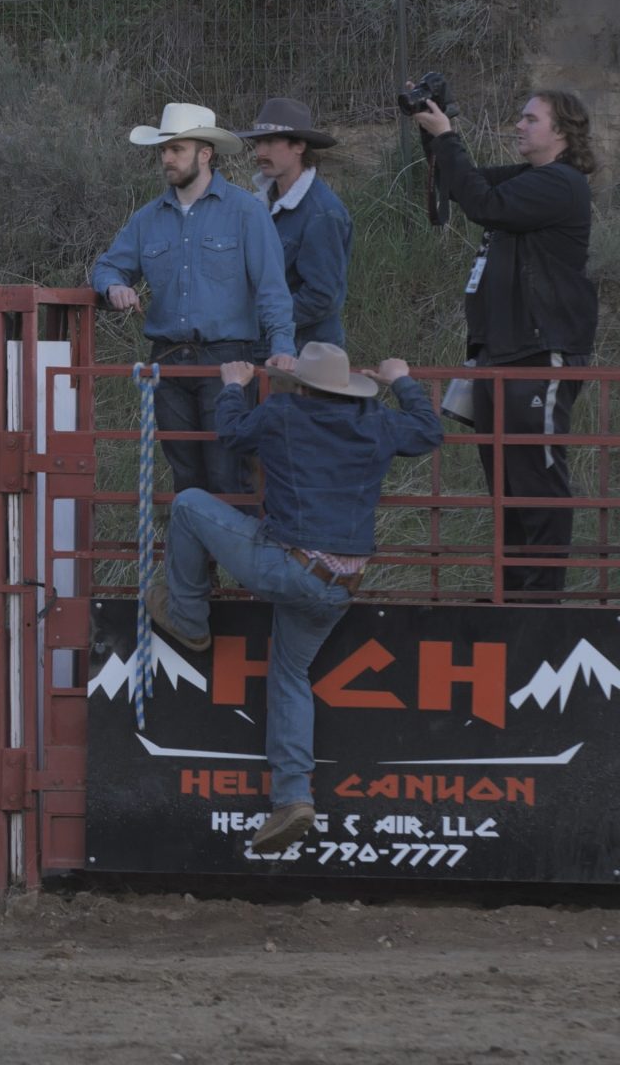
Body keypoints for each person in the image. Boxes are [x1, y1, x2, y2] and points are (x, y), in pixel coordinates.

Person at [147, 344, 441, 855]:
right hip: (340, 584)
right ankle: (291, 796)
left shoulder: (284, 413)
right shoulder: (375, 422)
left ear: (300, 386)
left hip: (288, 567)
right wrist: (401, 377)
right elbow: (429, 432)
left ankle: (188, 617)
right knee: (289, 674)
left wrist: (235, 385)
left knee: (190, 505)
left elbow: (232, 433)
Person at [415, 88, 598, 599]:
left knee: (536, 484)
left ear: (561, 131)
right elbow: (460, 188)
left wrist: (450, 139)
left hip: (540, 351)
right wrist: (433, 132)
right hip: (498, 353)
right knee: (507, 489)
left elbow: (483, 203)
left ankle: (540, 604)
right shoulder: (529, 180)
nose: (518, 125)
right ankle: (512, 597)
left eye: (529, 119)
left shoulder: (561, 184)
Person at [93, 102, 298, 496]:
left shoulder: (246, 212)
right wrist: (114, 286)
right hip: (168, 363)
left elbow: (272, 287)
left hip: (227, 361)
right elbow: (107, 267)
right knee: (185, 479)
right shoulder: (148, 218)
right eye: (163, 151)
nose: (167, 159)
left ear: (205, 153)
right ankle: (191, 559)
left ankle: (238, 557)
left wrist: (282, 347)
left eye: (177, 149)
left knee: (229, 474)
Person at [237, 98, 351, 348]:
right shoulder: (259, 204)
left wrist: (259, 320)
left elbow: (321, 298)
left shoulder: (322, 212)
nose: (260, 152)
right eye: (258, 142)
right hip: (269, 347)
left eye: (270, 142)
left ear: (299, 145)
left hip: (307, 354)